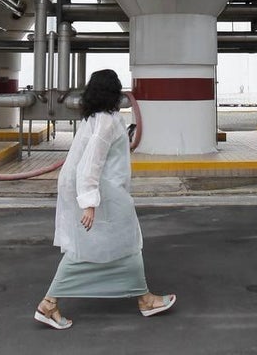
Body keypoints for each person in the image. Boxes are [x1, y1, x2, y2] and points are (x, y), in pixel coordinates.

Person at [34, 68, 176, 330]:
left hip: (102, 191)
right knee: (103, 245)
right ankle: (49, 303)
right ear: (113, 93)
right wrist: (89, 203)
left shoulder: (97, 118)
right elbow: (91, 163)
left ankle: (144, 298)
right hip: (103, 193)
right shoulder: (106, 121)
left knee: (119, 243)